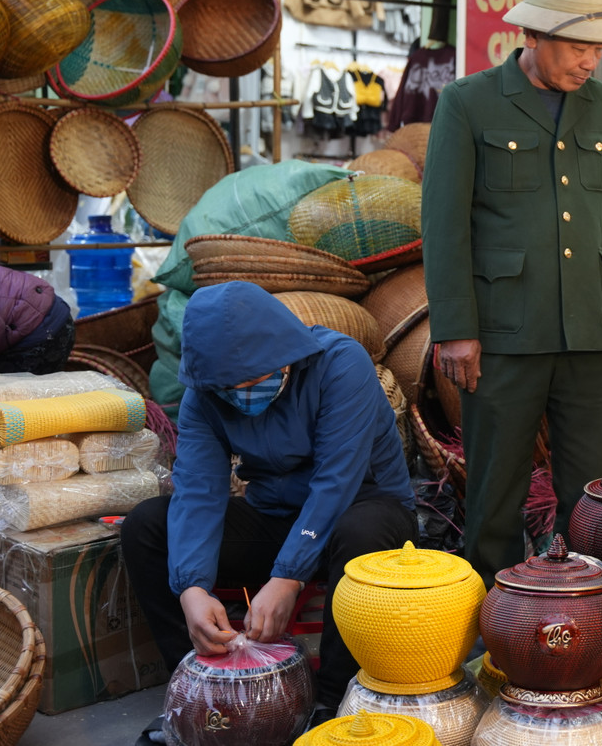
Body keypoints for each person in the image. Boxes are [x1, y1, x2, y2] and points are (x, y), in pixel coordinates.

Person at [421, 0, 602, 587]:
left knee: (594, 497)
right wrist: (457, 327)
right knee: (494, 493)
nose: (589, 63)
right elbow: (445, 225)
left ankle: (586, 613)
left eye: (598, 50)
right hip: (502, 333)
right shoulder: (468, 103)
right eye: (579, 48)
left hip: (591, 331)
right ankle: (495, 625)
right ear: (536, 37)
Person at [122, 281, 416, 743]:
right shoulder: (205, 394)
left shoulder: (342, 364)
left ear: (285, 355)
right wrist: (191, 586)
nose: (241, 396)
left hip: (361, 508)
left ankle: (330, 704)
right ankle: (199, 692)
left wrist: (288, 576)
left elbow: (336, 481)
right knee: (147, 526)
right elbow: (199, 489)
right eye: (229, 389)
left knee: (363, 531)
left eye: (254, 381)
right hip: (275, 516)